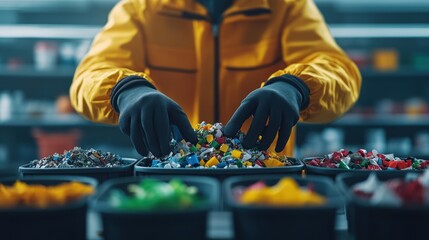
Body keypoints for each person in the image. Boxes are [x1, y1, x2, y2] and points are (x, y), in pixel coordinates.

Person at [70, 0, 361, 158]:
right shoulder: (139, 9)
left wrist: (297, 85)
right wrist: (125, 90)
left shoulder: (288, 7)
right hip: (173, 184)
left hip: (266, 182)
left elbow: (338, 70)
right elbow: (89, 75)